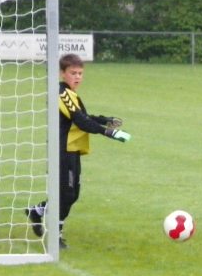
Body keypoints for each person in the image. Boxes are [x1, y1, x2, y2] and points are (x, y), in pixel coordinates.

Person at [25, 53, 130, 249]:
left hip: (73, 149)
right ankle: (55, 233)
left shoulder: (71, 94)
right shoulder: (62, 93)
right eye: (73, 73)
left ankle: (37, 211)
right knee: (66, 193)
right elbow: (81, 121)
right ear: (62, 73)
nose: (78, 77)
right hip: (62, 150)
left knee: (72, 194)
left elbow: (83, 116)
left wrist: (105, 120)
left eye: (80, 73)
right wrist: (107, 132)